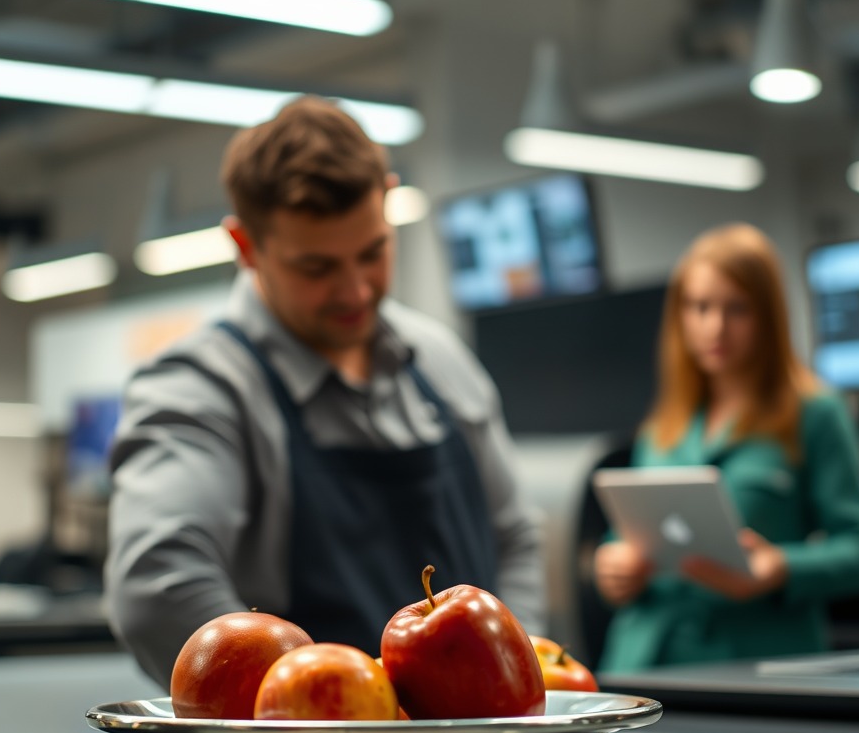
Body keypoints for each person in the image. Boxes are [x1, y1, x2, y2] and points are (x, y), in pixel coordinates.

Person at [105, 96, 546, 689]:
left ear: (389, 199)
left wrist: (514, 679)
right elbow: (159, 588)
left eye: (373, 253)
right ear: (245, 246)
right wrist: (315, 702)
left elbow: (516, 539)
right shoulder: (199, 386)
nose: (356, 291)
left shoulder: (442, 363)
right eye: (316, 268)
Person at [594, 222, 859, 670]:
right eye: (699, 307)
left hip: (756, 668)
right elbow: (632, 533)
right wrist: (615, 564)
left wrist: (781, 567)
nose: (716, 327)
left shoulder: (815, 413)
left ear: (768, 316)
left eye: (738, 309)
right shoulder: (663, 424)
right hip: (645, 665)